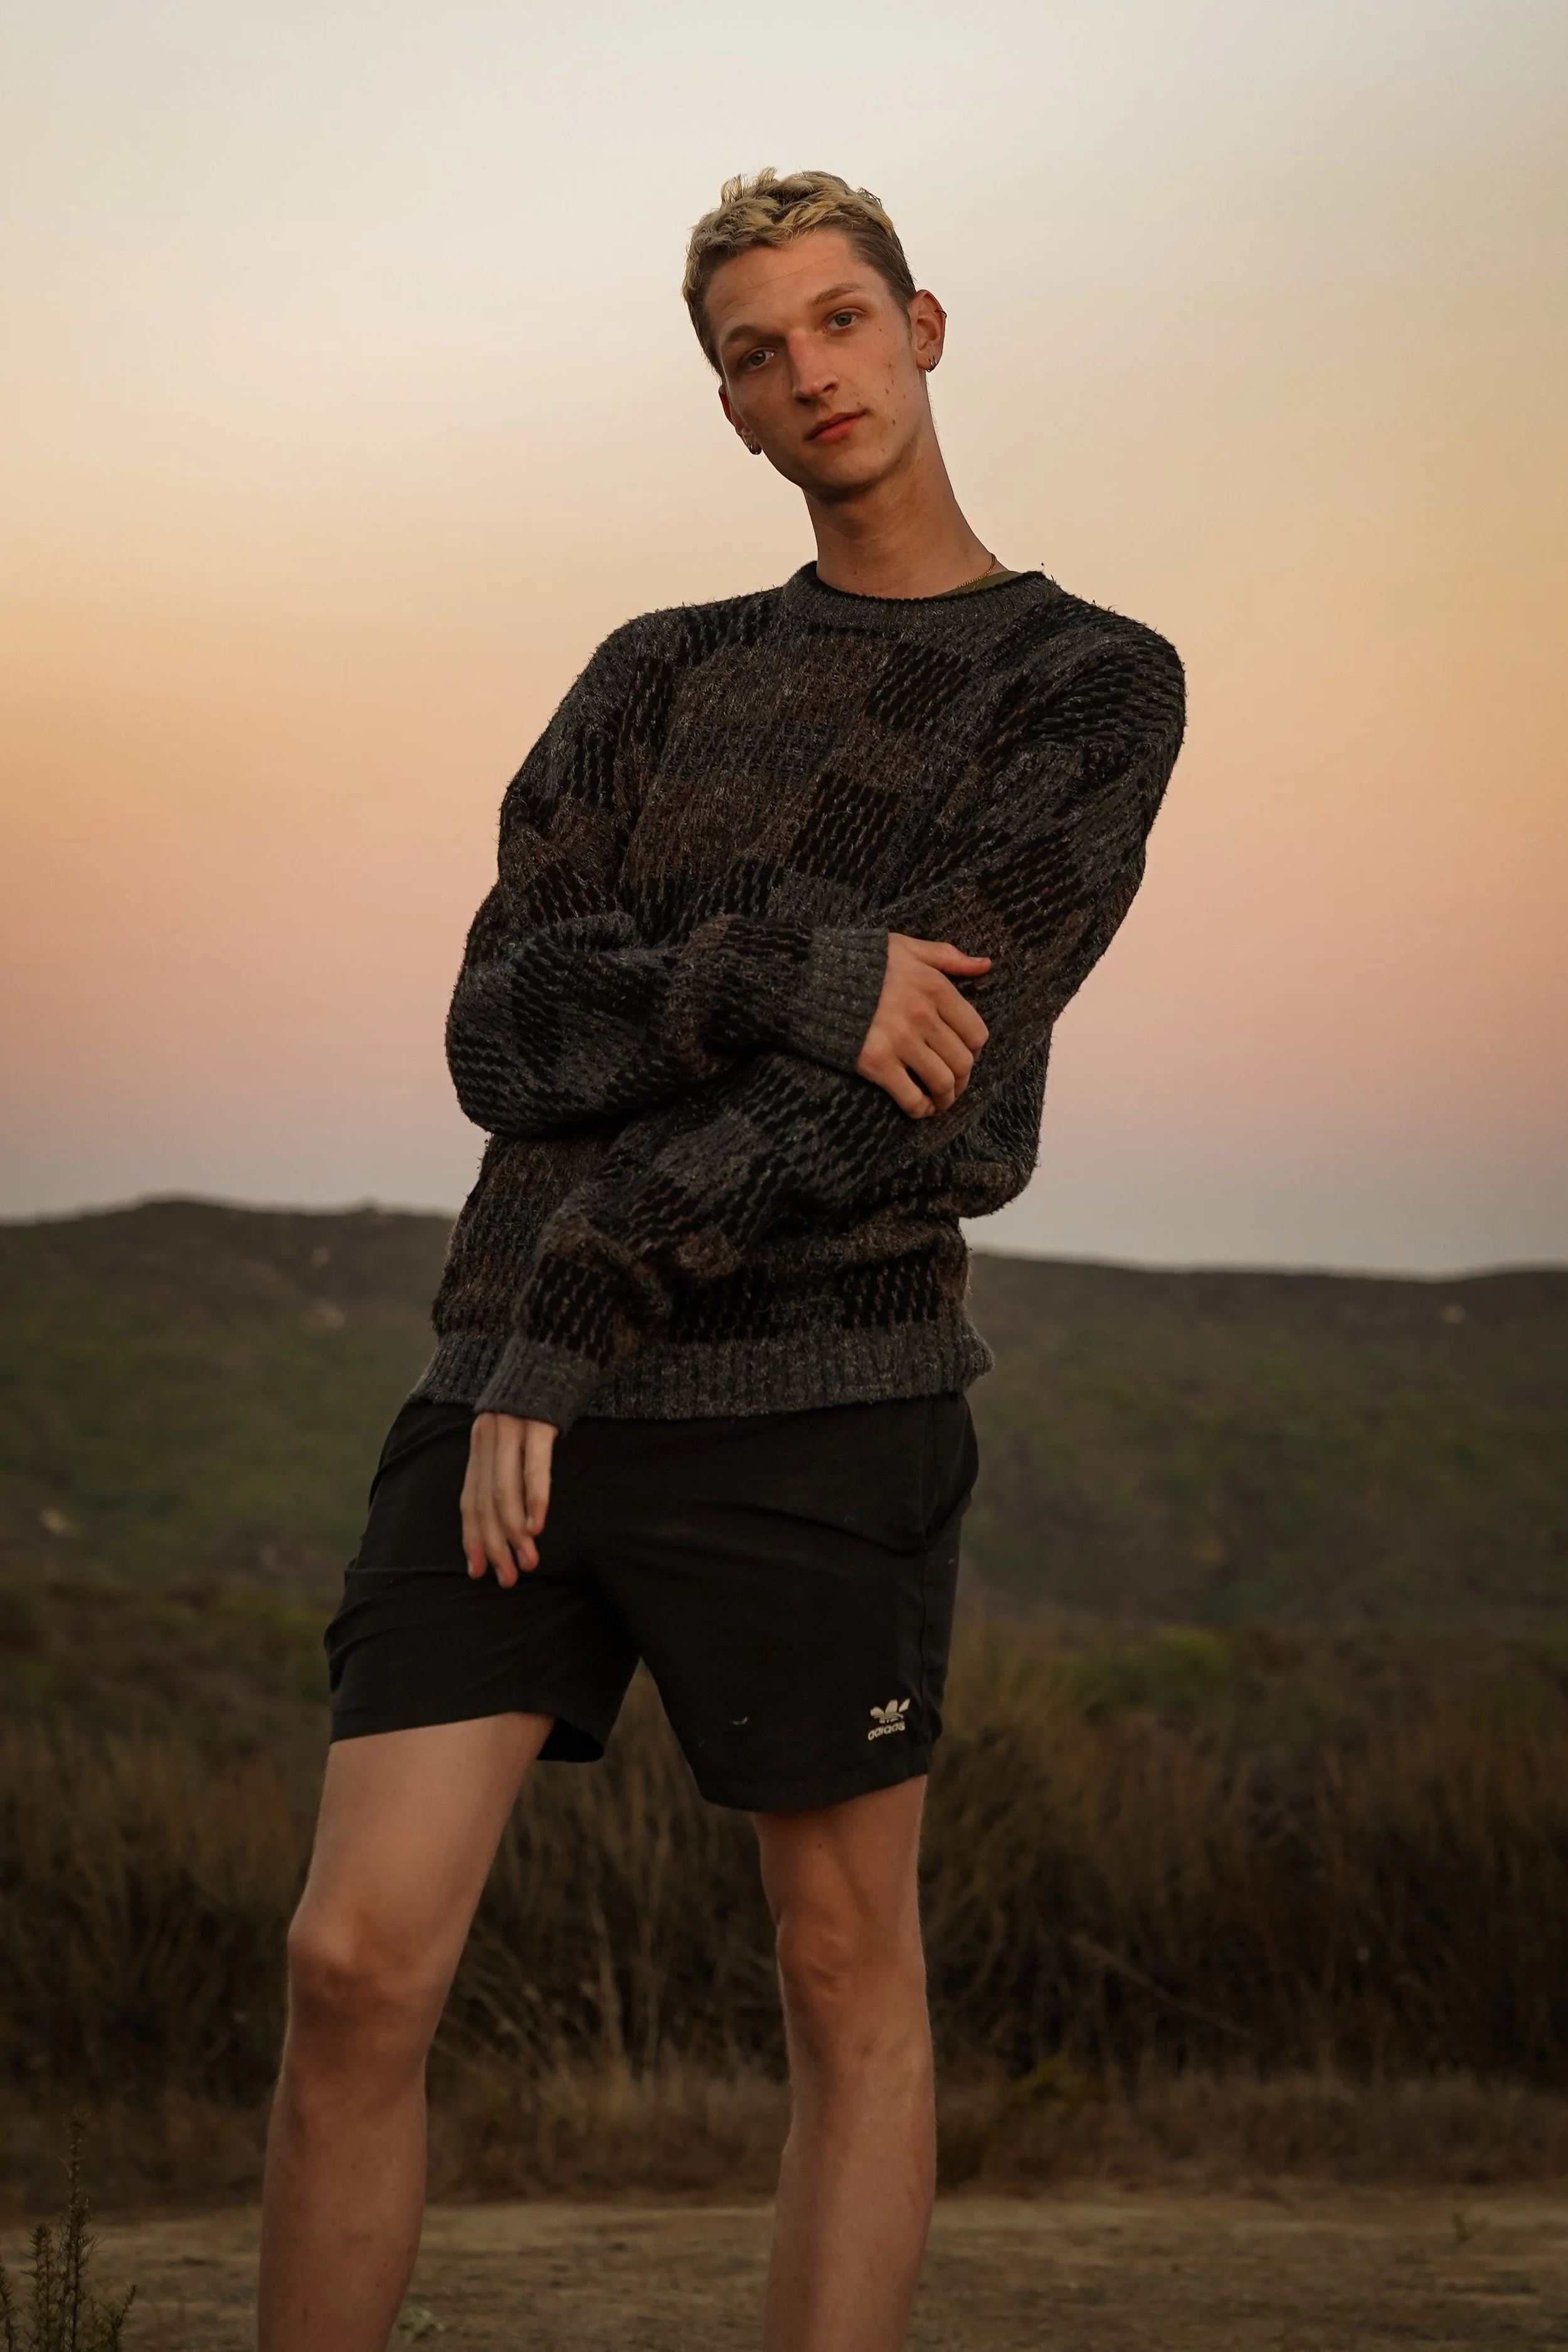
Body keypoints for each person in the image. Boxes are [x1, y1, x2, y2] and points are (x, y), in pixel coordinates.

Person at [257, 167, 1184, 2351]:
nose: (811, 373)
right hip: (504, 1403)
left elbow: (913, 1084)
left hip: (808, 1397)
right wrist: (793, 962)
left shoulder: (1082, 683)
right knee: (352, 1959)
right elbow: (505, 1024)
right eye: (757, 353)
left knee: (843, 1971)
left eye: (842, 321)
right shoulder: (652, 677)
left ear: (926, 326)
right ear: (729, 408)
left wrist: (583, 1288)